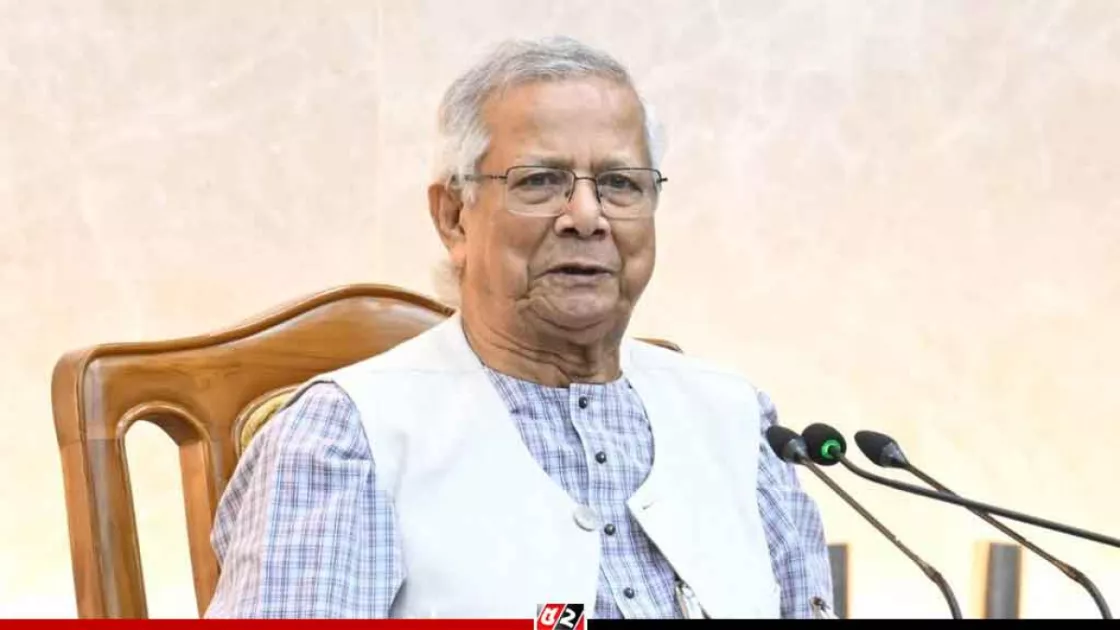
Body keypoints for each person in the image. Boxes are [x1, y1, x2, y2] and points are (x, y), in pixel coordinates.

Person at [205, 36, 834, 620]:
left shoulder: (737, 421)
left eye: (619, 184)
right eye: (540, 181)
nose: (586, 216)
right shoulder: (343, 439)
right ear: (454, 217)